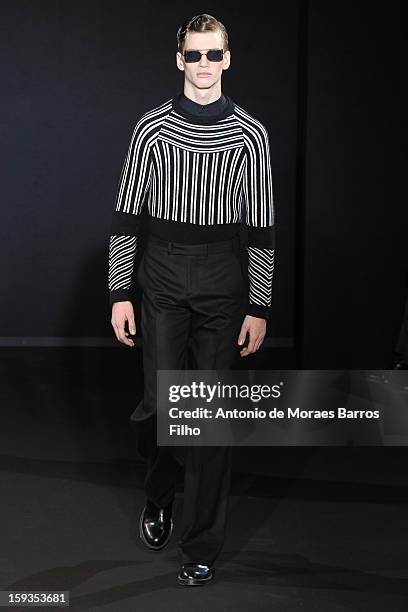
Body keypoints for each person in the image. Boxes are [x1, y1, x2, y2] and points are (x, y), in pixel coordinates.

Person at [108, 13, 275, 586]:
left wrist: (259, 303)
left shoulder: (252, 134)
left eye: (214, 55)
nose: (204, 65)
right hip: (159, 269)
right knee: (159, 406)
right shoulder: (150, 129)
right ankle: (159, 494)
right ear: (179, 59)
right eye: (195, 55)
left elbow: (261, 225)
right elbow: (127, 212)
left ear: (228, 58)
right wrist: (118, 290)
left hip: (224, 276)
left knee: (208, 419)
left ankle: (200, 544)